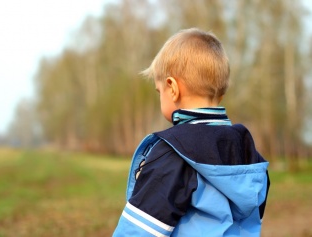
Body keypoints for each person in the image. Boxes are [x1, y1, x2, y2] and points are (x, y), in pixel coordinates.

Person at [112, 28, 270, 237]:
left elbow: (139, 231)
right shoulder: (249, 153)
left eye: (159, 92)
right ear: (220, 95)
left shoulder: (175, 152)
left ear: (172, 88)